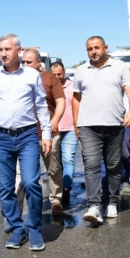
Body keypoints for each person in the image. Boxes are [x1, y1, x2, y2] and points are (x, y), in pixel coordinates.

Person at [0, 34, 52, 251]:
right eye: (1, 49)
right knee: (6, 187)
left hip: (27, 136)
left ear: (18, 50)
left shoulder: (32, 75)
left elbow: (41, 106)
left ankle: (34, 229)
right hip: (0, 137)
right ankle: (17, 228)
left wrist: (46, 134)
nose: (3, 53)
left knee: (31, 183)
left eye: (7, 49)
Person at [73, 36, 130, 223]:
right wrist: (77, 123)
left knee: (113, 166)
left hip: (114, 124)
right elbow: (76, 99)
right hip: (88, 126)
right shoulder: (80, 71)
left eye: (96, 47)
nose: (93, 51)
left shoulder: (119, 67)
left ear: (105, 48)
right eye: (90, 49)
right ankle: (93, 206)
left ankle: (112, 202)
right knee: (91, 165)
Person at [21, 49, 65, 215]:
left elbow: (61, 101)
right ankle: (32, 203)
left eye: (29, 62)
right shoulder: (18, 78)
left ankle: (56, 199)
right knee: (28, 173)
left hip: (48, 132)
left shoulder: (49, 78)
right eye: (23, 61)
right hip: (26, 133)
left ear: (39, 62)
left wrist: (55, 121)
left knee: (53, 168)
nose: (25, 65)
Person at [50, 61, 77, 206]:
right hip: (53, 130)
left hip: (70, 129)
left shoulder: (72, 86)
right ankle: (58, 190)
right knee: (56, 163)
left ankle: (66, 188)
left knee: (68, 160)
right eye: (53, 74)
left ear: (64, 72)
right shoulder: (47, 86)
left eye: (59, 74)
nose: (56, 77)